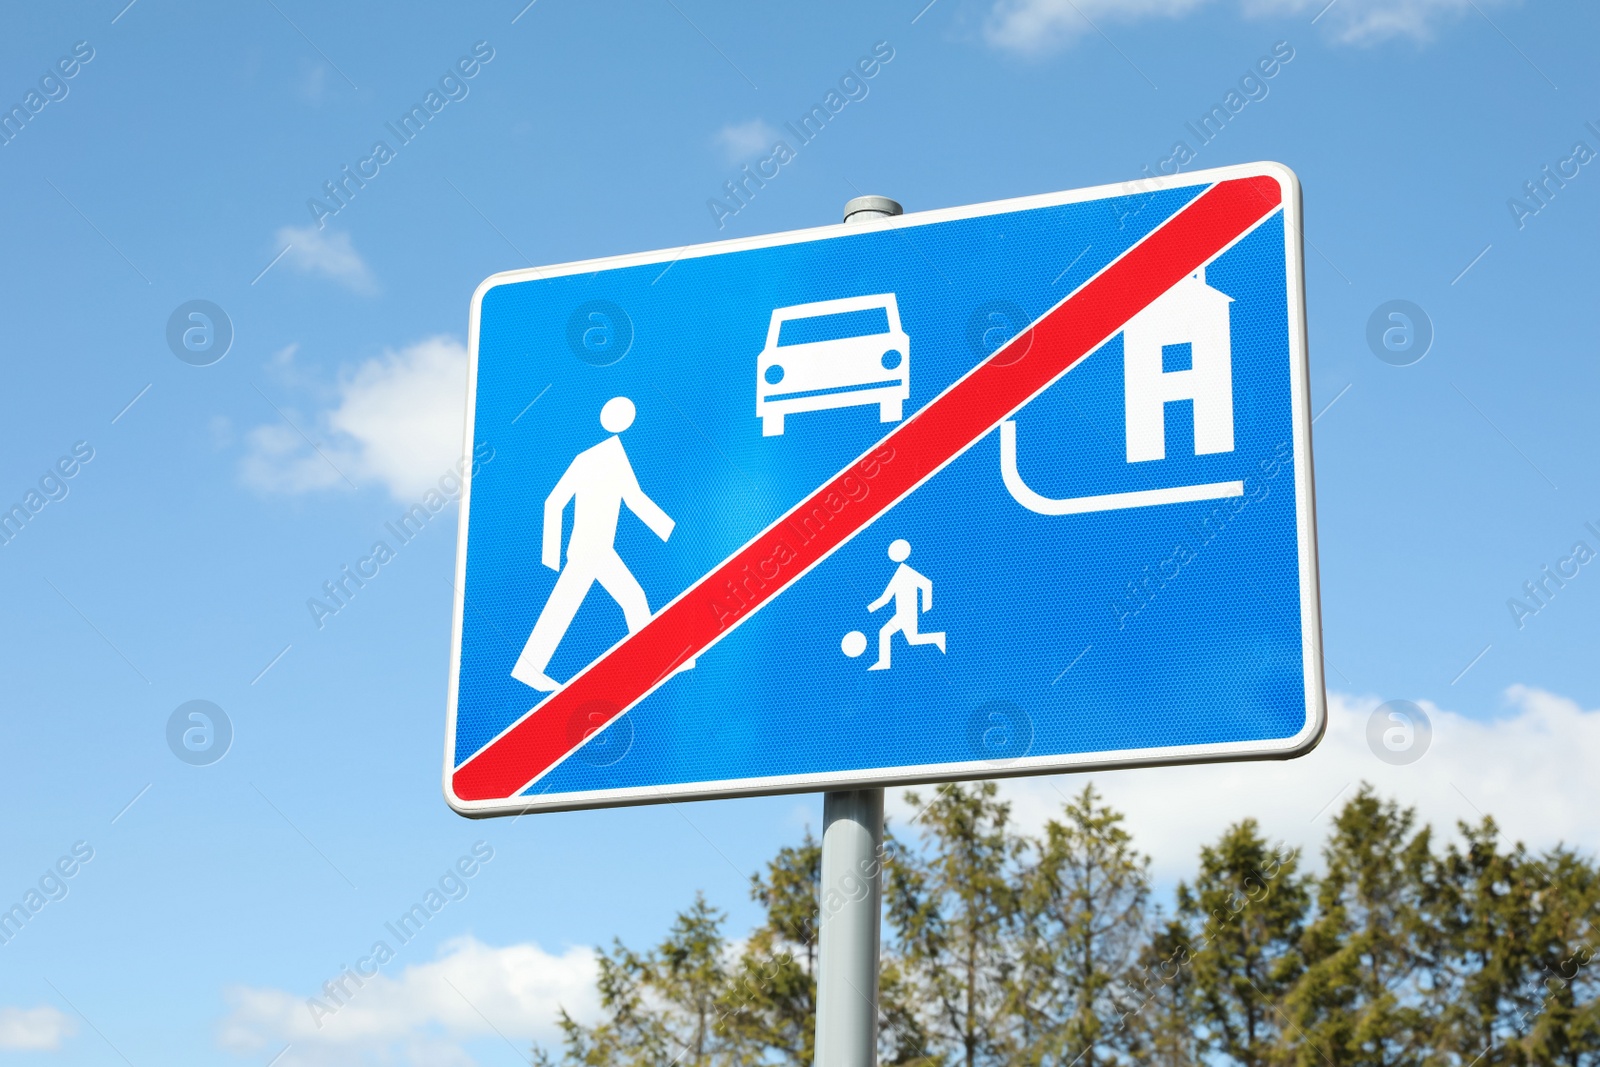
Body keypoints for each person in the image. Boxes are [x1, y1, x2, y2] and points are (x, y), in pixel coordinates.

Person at [511, 397, 682, 692]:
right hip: (587, 549)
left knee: (631, 597)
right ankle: (529, 669)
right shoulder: (595, 458)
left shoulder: (614, 456)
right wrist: (550, 557)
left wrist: (670, 530)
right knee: (573, 605)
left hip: (599, 549)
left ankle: (653, 661)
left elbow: (634, 499)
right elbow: (554, 502)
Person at [866, 539, 945, 671]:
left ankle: (939, 638)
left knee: (903, 636)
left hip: (909, 614)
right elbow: (886, 598)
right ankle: (884, 662)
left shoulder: (907, 572)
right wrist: (871, 608)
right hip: (901, 614)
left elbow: (927, 584)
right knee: (891, 634)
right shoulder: (898, 574)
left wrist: (927, 606)